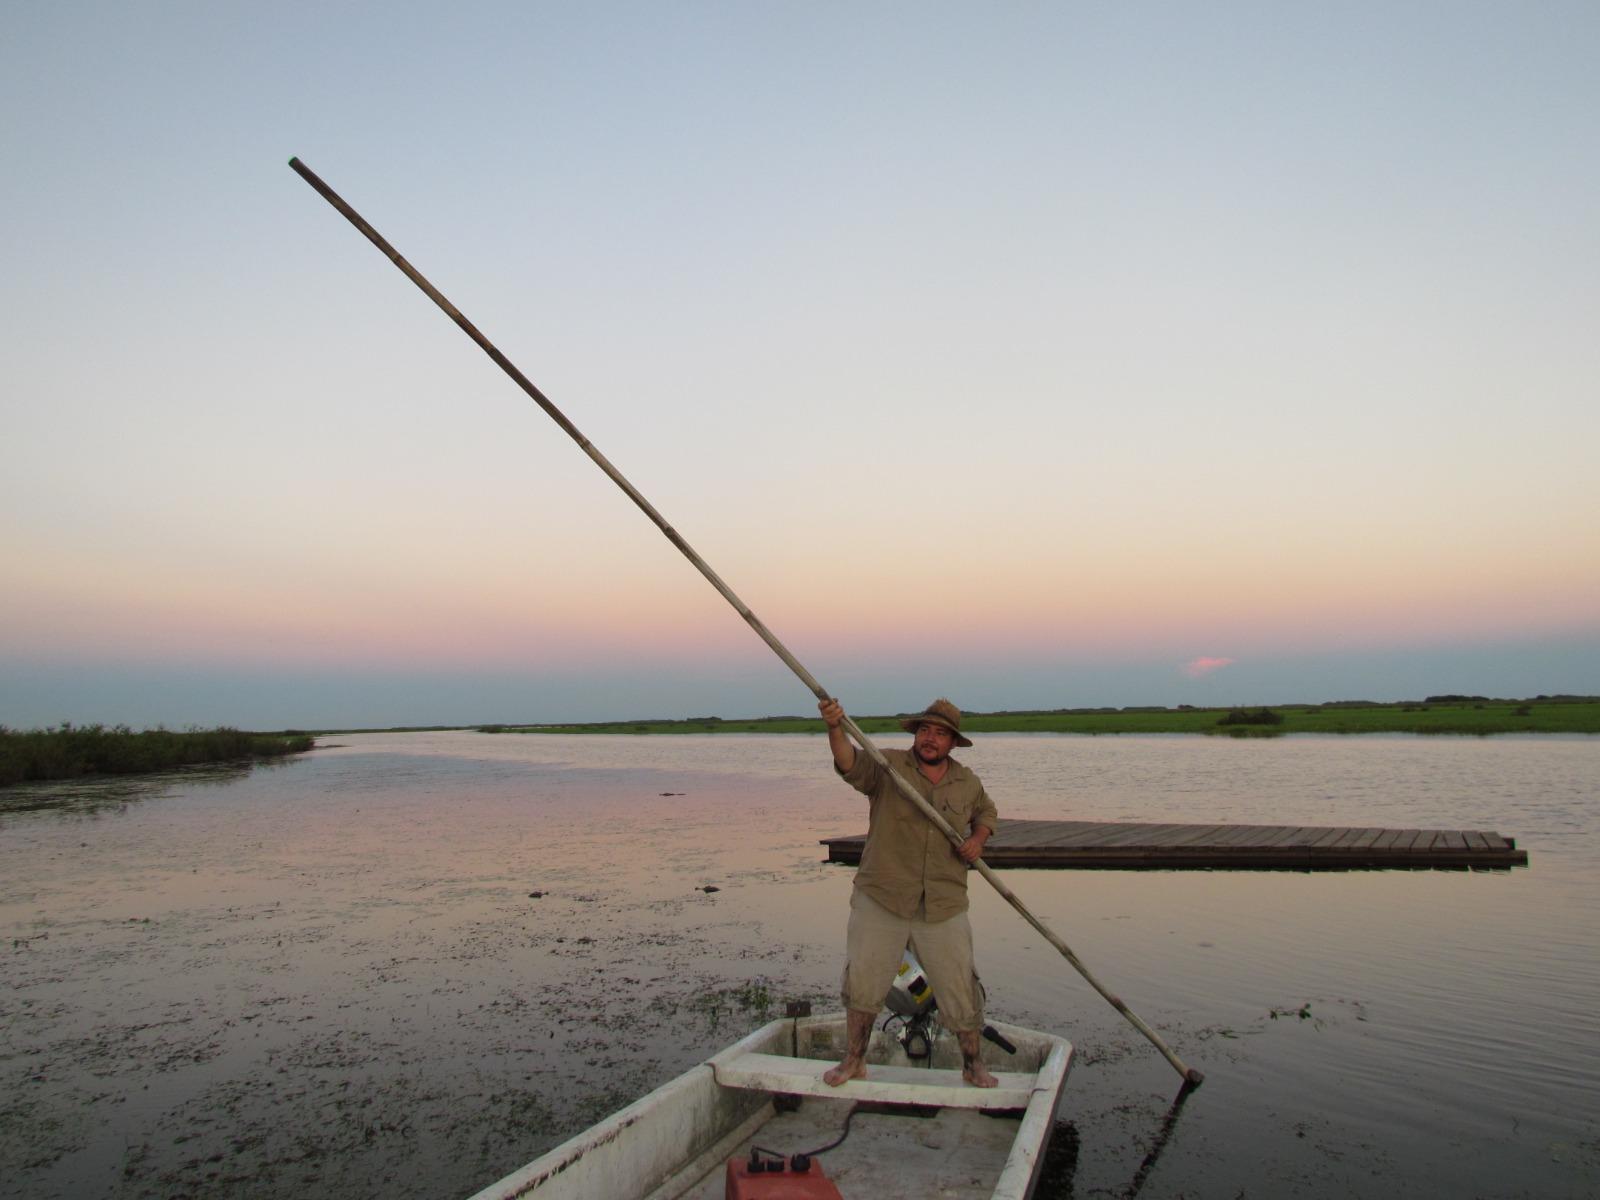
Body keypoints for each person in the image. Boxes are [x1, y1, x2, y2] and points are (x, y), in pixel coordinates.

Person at [817, 696, 999, 1087]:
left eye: (941, 734)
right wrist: (834, 727)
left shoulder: (967, 782)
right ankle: (854, 1061)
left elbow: (986, 812)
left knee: (960, 987)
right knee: (864, 981)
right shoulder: (887, 766)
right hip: (882, 895)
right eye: (925, 730)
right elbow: (849, 763)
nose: (930, 738)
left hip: (943, 902)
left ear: (953, 742)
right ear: (916, 734)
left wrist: (978, 839)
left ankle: (973, 1066)